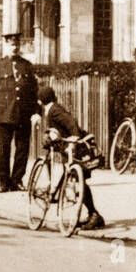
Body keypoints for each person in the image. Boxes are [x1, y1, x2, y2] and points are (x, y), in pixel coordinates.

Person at [38, 84, 105, 229]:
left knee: (79, 180)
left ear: (40, 101)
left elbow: (70, 122)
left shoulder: (54, 110)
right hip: (69, 148)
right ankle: (91, 214)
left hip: (76, 147)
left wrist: (75, 138)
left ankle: (94, 215)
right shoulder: (52, 108)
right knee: (75, 179)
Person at [0, 32, 38, 191]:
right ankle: (4, 182)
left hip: (23, 114)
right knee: (3, 150)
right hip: (3, 115)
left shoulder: (27, 65)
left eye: (17, 44)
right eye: (11, 44)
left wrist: (36, 112)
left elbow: (33, 91)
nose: (14, 47)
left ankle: (17, 180)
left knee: (22, 149)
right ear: (6, 45)